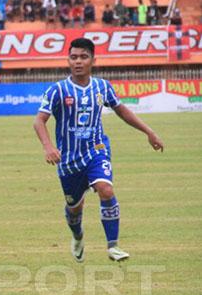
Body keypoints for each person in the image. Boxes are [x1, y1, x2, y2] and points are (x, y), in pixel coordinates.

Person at [34, 37, 163, 262]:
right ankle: (78, 236)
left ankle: (113, 246)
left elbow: (122, 111)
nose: (78, 61)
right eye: (73, 57)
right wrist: (48, 147)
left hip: (97, 150)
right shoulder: (57, 90)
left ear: (93, 60)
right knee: (74, 207)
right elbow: (39, 121)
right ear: (68, 60)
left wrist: (148, 132)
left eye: (83, 57)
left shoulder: (102, 87)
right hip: (68, 160)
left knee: (106, 189)